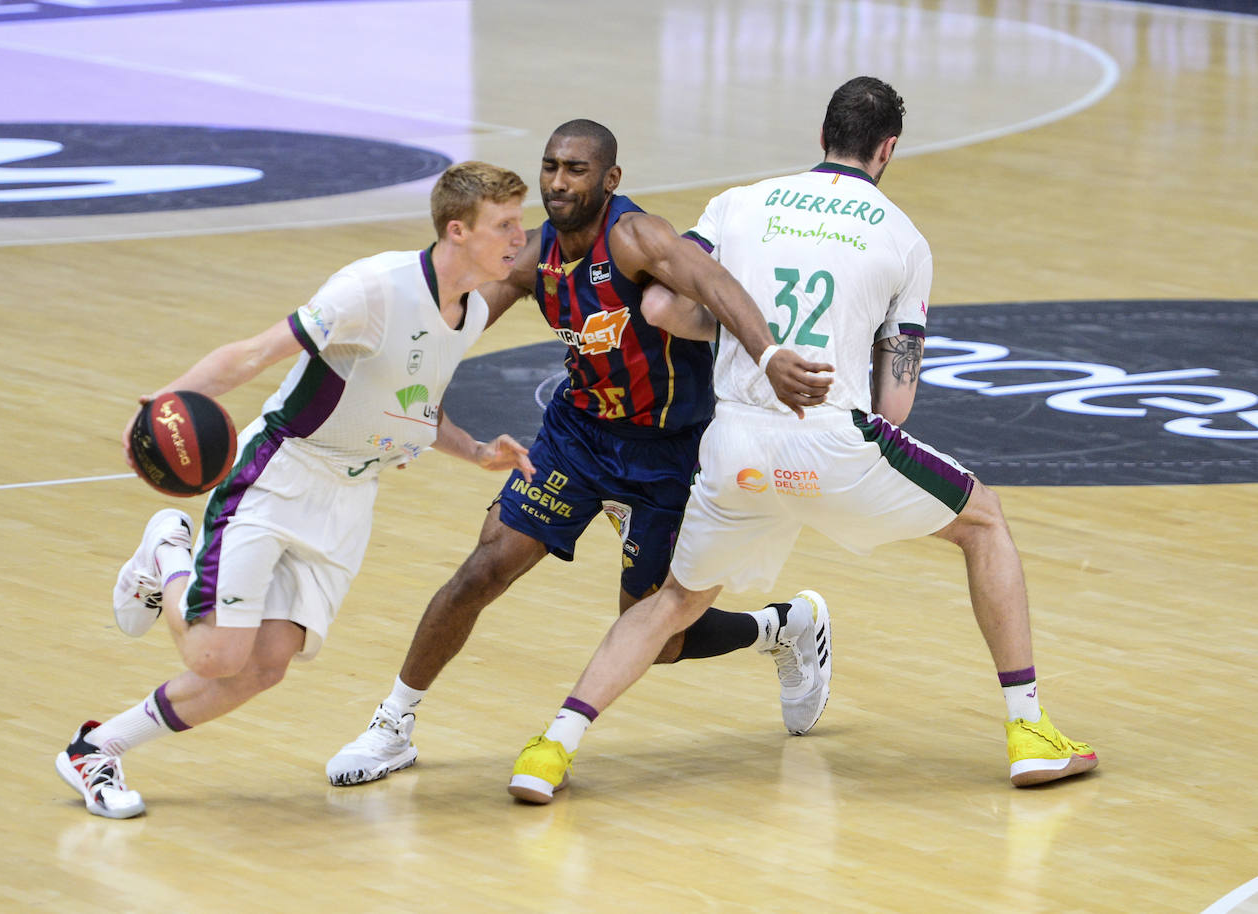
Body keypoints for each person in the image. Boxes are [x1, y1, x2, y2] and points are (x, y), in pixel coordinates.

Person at [508, 78, 1098, 804]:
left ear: (821, 137)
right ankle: (1029, 731)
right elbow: (896, 401)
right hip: (829, 442)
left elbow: (660, 306)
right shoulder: (904, 237)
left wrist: (746, 344)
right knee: (983, 521)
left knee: (671, 603)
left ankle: (549, 748)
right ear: (887, 149)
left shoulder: (739, 202)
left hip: (734, 447)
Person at [325, 120, 836, 787]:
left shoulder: (636, 236)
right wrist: (405, 395)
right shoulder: (534, 257)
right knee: (482, 570)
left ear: (610, 179)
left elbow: (713, 283)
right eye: (551, 167)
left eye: (576, 170)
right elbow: (458, 324)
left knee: (657, 638)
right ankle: (393, 725)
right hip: (579, 435)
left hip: (668, 451)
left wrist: (767, 355)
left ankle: (785, 626)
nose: (559, 182)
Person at [54, 161, 538, 819]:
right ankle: (167, 551)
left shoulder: (472, 310)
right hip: (281, 475)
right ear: (458, 229)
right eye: (504, 224)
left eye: (520, 220)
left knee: (265, 665)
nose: (520, 235)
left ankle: (96, 749)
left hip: (348, 501)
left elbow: (414, 408)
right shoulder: (372, 289)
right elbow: (254, 354)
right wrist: (168, 402)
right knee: (214, 653)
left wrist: (477, 451)